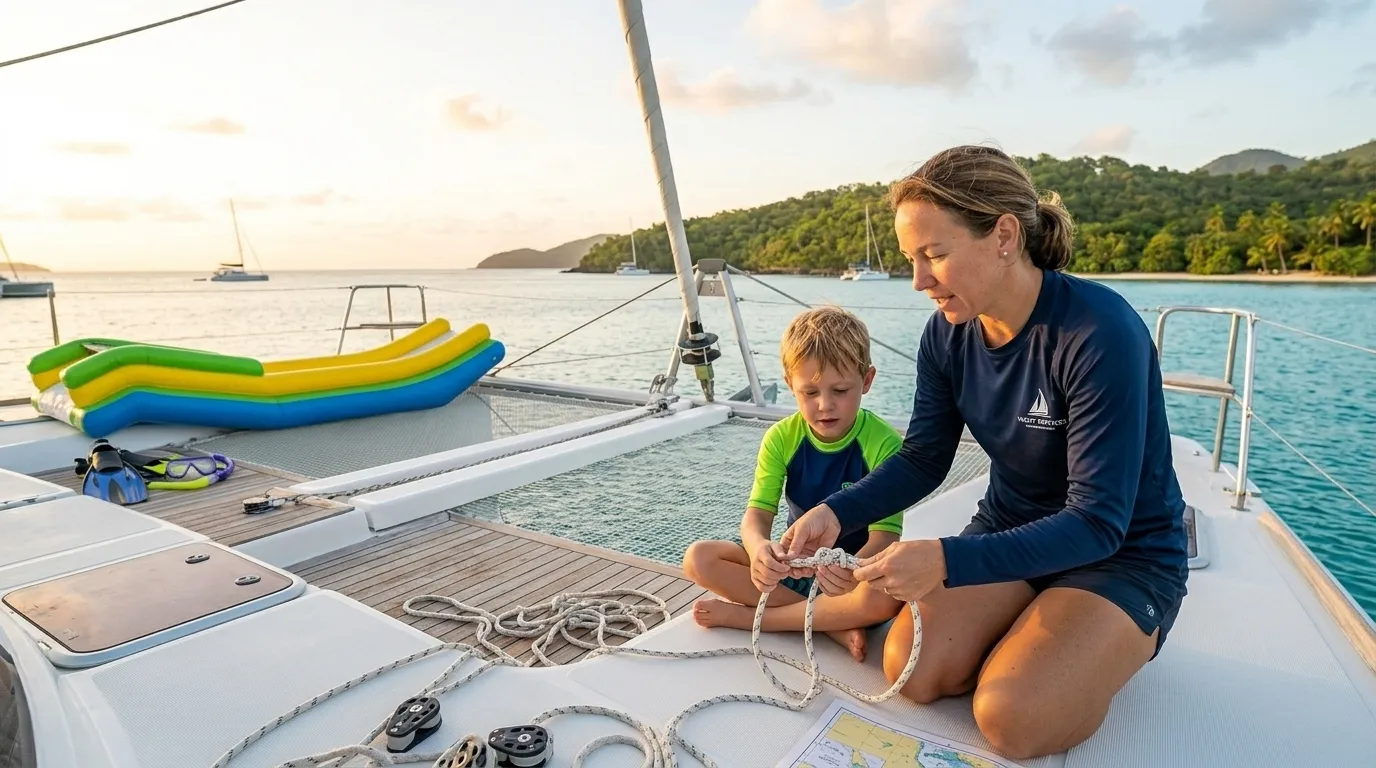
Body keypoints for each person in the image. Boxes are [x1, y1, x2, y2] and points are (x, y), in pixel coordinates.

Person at [755, 145, 1190, 760]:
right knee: (908, 666)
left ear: (1004, 236)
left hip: (1123, 555)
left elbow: (1099, 520)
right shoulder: (948, 333)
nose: (919, 281)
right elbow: (925, 456)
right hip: (1011, 530)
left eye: (934, 255)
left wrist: (947, 561)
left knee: (1010, 718)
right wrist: (837, 511)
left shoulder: (1099, 334)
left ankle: (1095, 631)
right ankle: (1033, 621)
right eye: (911, 259)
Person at [682, 306, 907, 662]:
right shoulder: (780, 438)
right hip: (795, 568)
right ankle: (829, 623)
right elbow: (757, 515)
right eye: (810, 392)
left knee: (884, 597)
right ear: (789, 384)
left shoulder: (884, 443)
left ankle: (753, 619)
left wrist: (850, 570)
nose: (825, 405)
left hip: (849, 578)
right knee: (699, 558)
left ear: (866, 380)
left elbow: (885, 536)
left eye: (841, 390)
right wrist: (759, 551)